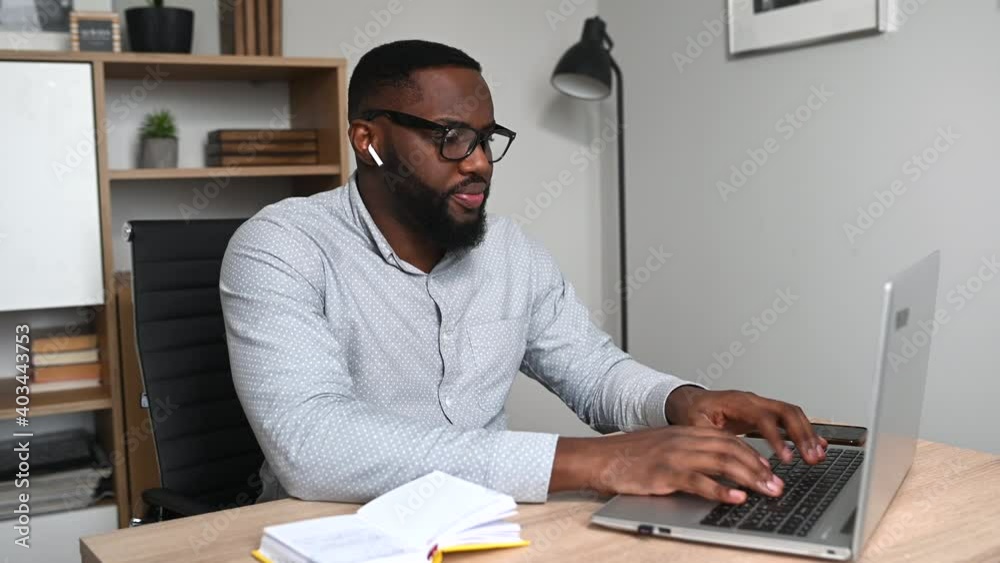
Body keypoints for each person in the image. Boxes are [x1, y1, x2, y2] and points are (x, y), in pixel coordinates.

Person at [220, 39, 827, 506]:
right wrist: (595, 462)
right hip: (334, 534)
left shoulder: (512, 252)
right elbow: (313, 445)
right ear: (369, 140)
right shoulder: (280, 248)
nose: (480, 162)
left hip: (486, 528)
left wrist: (683, 402)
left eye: (487, 138)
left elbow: (593, 371)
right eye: (451, 137)